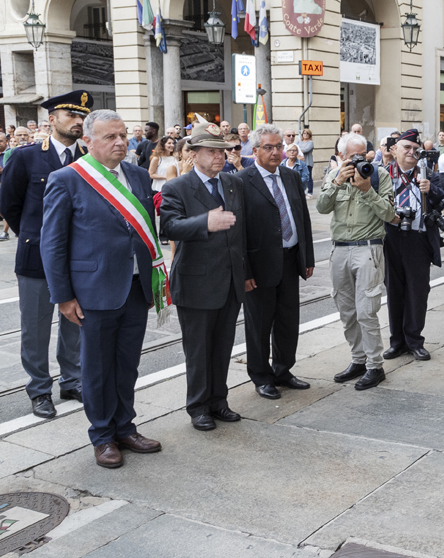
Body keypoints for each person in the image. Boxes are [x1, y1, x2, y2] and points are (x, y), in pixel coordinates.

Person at [40, 110, 164, 469]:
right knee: (96, 368)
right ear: (88, 142)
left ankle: (125, 427)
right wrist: (63, 296)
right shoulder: (68, 179)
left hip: (136, 287)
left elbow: (146, 232)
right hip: (94, 291)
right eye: (110, 137)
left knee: (127, 365)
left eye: (123, 135)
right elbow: (53, 244)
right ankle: (102, 435)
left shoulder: (139, 176)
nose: (120, 142)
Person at [0, 91, 91, 418]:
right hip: (36, 256)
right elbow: (9, 205)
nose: (79, 121)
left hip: (79, 258)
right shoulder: (25, 157)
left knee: (75, 322)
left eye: (83, 116)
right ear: (51, 119)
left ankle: (72, 379)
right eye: (72, 115)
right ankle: (40, 389)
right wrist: (32, 236)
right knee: (35, 327)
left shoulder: (88, 158)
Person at [159, 122, 248, 431]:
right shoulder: (177, 187)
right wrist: (204, 222)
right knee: (199, 350)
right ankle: (198, 406)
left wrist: (245, 274)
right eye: (212, 152)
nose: (219, 157)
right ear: (194, 154)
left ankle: (218, 401)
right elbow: (168, 228)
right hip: (196, 282)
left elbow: (241, 233)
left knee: (223, 346)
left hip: (230, 281)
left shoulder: (232, 182)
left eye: (222, 151)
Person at [237, 125, 315, 400]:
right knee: (259, 324)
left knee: (287, 321)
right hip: (259, 266)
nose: (275, 152)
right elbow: (239, 231)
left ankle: (283, 370)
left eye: (278, 146)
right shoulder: (242, 181)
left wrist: (307, 257)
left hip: (290, 260)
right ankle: (261, 376)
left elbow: (302, 218)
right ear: (255, 150)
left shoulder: (291, 177)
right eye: (268, 147)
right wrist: (244, 271)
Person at [320, 133, 396, 390]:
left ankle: (375, 365)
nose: (359, 160)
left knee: (366, 311)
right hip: (340, 249)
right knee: (347, 311)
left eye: (363, 155)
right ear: (340, 156)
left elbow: (389, 213)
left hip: (368, 249)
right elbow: (321, 207)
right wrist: (337, 183)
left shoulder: (378, 175)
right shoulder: (333, 176)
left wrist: (367, 190)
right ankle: (358, 360)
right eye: (353, 156)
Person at [382, 130, 444, 361]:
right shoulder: (383, 175)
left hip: (418, 240)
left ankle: (414, 340)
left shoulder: (427, 174)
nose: (411, 152)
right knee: (394, 291)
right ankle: (396, 341)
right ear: (395, 150)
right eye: (406, 148)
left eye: (415, 149)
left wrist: (430, 190)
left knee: (417, 292)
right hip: (390, 238)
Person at [297, 128, 315, 196]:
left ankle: (310, 192)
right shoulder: (299, 141)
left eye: (307, 133)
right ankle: (303, 190)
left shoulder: (310, 142)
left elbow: (306, 149)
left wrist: (298, 150)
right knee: (301, 177)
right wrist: (298, 150)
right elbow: (294, 147)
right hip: (299, 162)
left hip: (308, 162)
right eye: (304, 133)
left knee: (308, 177)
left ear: (309, 135)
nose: (305, 135)